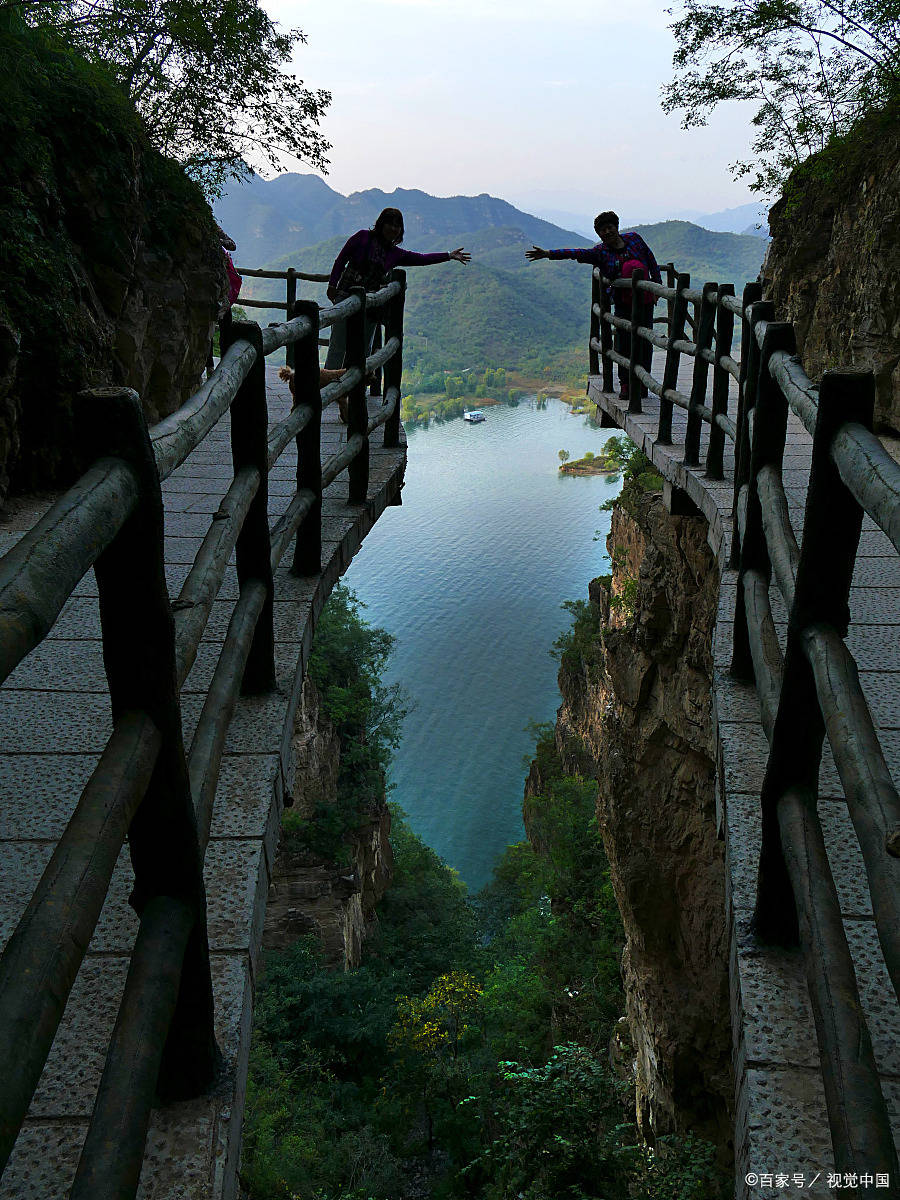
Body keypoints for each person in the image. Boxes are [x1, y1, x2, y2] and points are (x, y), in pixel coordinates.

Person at [525, 211, 661, 401]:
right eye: (602, 230)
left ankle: (643, 383)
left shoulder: (634, 239)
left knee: (645, 343)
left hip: (645, 301)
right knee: (624, 343)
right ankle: (626, 384)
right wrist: (549, 254)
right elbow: (575, 253)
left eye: (609, 228)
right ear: (598, 234)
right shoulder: (600, 252)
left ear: (616, 227)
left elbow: (651, 261)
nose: (607, 232)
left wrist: (657, 287)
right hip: (622, 303)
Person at [324, 207, 470, 370]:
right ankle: (329, 386)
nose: (393, 229)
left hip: (370, 304)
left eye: (397, 225)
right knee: (338, 344)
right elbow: (341, 260)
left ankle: (355, 391)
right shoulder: (362, 237)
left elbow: (421, 259)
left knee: (363, 349)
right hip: (345, 297)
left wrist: (448, 255)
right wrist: (332, 284)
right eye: (390, 224)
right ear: (381, 224)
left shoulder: (395, 254)